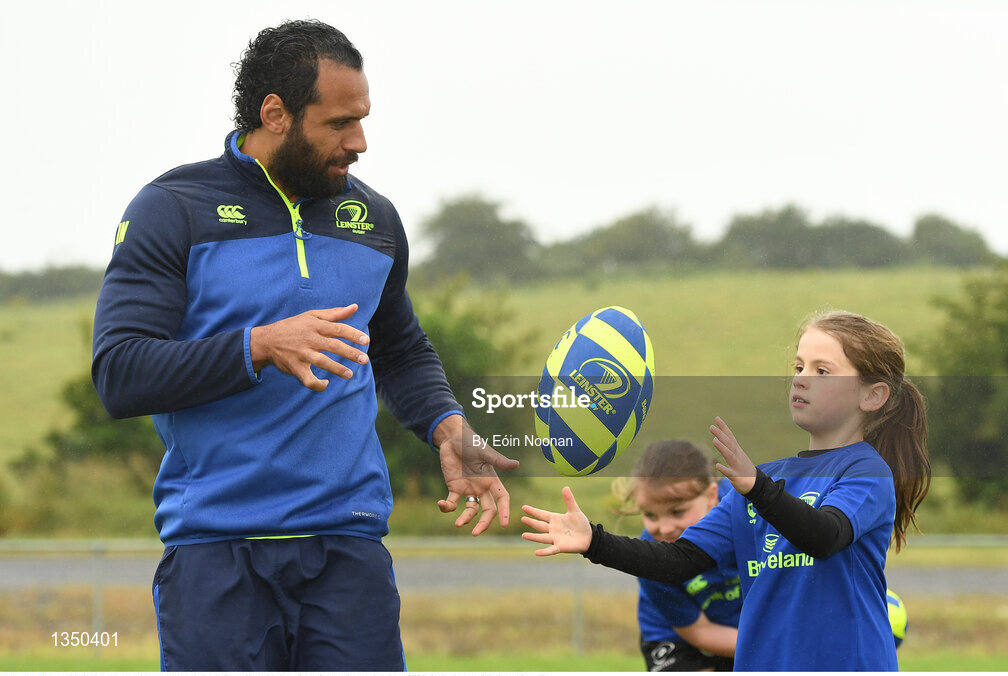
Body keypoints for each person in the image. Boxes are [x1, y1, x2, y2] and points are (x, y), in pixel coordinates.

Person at [92, 19, 518, 671]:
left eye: (363, 120)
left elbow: (399, 350)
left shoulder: (373, 221)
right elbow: (121, 373)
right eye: (339, 123)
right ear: (276, 113)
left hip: (348, 552)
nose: (360, 142)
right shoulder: (175, 208)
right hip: (216, 554)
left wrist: (445, 423)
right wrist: (258, 346)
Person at [523, 310, 931, 671]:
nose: (801, 380)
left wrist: (757, 488)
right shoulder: (761, 483)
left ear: (872, 395)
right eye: (799, 366)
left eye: (822, 371)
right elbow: (679, 561)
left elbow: (823, 537)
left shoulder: (865, 471)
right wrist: (595, 541)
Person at [616, 439, 740, 671]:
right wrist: (769, 644)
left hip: (740, 630)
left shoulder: (745, 508)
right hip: (678, 638)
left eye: (677, 511)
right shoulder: (651, 554)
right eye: (651, 515)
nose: (664, 529)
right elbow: (700, 632)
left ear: (711, 496)